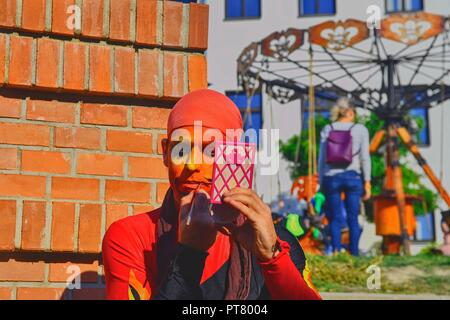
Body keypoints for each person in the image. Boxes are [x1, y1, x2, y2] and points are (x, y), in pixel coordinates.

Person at [102, 89, 321, 300]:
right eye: (181, 149)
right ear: (166, 153)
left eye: (212, 151)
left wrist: (272, 258)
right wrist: (190, 254)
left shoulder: (274, 240)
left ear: (236, 156)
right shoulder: (133, 237)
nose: (192, 165)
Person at [318, 97, 371, 256]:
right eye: (353, 112)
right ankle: (354, 253)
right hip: (353, 177)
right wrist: (367, 182)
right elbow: (364, 158)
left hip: (331, 177)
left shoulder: (327, 129)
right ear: (348, 112)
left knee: (334, 218)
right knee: (353, 218)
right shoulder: (360, 129)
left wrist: (321, 181)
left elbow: (321, 158)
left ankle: (335, 250)